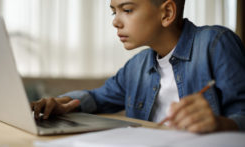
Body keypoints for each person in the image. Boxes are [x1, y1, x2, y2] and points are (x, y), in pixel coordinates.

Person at [30, 0, 245, 133]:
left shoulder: (216, 44)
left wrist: (220, 124)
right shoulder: (137, 66)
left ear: (167, 13)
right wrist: (63, 103)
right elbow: (96, 98)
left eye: (127, 9)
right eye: (114, 11)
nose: (115, 22)